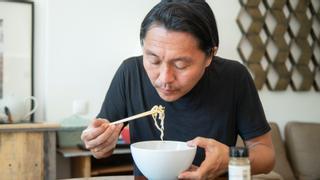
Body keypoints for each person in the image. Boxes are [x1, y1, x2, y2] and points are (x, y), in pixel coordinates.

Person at [81, 0, 275, 179]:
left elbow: (266, 155)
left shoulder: (234, 77)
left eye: (181, 65)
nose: (164, 79)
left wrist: (230, 160)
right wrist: (98, 142)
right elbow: (102, 150)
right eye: (154, 60)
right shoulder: (130, 73)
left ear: (210, 55)